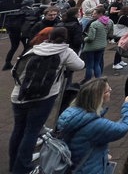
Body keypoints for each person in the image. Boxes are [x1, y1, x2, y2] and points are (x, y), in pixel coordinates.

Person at [9, 27, 84, 174]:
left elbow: (15, 71)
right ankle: (22, 167)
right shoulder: (65, 52)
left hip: (19, 95)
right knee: (31, 131)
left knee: (18, 129)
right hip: (44, 97)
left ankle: (13, 164)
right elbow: (80, 65)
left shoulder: (34, 49)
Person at [57, 78, 128, 174]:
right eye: (107, 90)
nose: (111, 90)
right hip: (90, 169)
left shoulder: (73, 112)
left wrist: (104, 153)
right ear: (99, 97)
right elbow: (122, 128)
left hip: (75, 162)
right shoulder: (95, 124)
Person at [82, 6, 114, 81]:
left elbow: (91, 38)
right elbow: (110, 34)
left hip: (91, 47)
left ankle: (87, 81)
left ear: (100, 14)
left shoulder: (94, 24)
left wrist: (84, 39)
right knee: (97, 64)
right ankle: (98, 81)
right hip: (102, 45)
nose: (93, 15)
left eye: (94, 13)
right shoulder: (110, 22)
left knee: (89, 65)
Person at [3, 0, 34, 70]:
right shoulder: (31, 12)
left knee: (13, 47)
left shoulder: (18, 11)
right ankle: (20, 63)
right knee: (27, 47)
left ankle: (7, 63)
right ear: (31, 4)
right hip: (24, 33)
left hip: (13, 32)